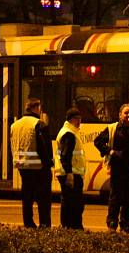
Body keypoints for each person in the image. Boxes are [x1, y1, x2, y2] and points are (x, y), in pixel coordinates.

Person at [94, 103, 129, 233]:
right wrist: (110, 152)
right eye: (126, 113)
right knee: (115, 197)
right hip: (117, 168)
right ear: (120, 115)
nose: (128, 115)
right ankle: (112, 223)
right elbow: (98, 141)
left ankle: (126, 224)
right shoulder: (112, 128)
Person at [10, 98, 53, 228]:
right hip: (39, 167)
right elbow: (44, 147)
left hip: (22, 166)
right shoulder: (40, 124)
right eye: (40, 108)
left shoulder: (15, 125)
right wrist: (48, 164)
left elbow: (12, 145)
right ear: (37, 108)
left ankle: (28, 222)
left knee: (27, 196)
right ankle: (44, 224)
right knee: (43, 199)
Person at [55, 107, 86, 229]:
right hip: (71, 173)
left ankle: (69, 226)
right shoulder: (69, 134)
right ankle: (73, 227)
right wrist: (69, 174)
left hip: (71, 172)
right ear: (70, 119)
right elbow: (65, 156)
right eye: (77, 119)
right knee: (74, 203)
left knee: (69, 202)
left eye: (80, 119)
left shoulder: (69, 131)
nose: (79, 122)